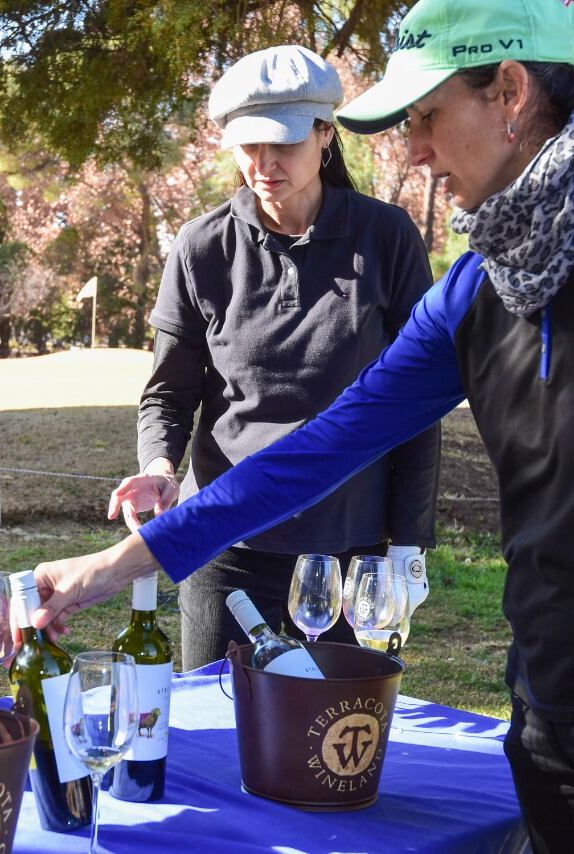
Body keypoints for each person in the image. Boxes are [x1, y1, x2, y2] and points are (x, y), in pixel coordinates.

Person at [27, 1, 574, 851]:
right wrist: (115, 566)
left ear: (510, 93)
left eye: (428, 117)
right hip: (548, 713)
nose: (414, 153)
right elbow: (321, 447)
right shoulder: (482, 283)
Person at [108, 45, 441, 670]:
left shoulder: (389, 238)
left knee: (332, 741)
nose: (262, 164)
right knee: (219, 732)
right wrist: (158, 464)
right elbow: (169, 393)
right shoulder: (201, 246)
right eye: (247, 145)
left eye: (282, 143)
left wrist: (408, 548)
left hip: (351, 555)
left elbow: (416, 406)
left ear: (324, 134)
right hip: (224, 547)